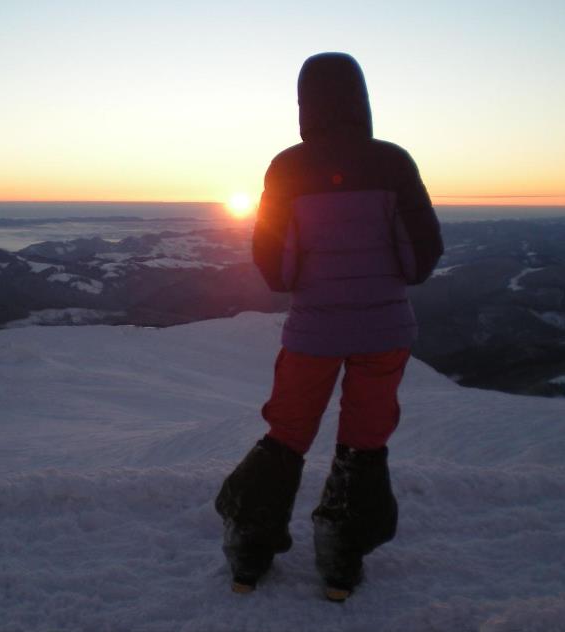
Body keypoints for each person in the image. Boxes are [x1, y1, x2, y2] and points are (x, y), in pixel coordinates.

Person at [214, 52, 443, 602]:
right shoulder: (394, 163)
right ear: (362, 99)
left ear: (304, 105)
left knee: (286, 435)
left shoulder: (288, 168)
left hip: (313, 333)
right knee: (364, 442)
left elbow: (277, 269)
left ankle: (250, 550)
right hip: (384, 332)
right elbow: (421, 258)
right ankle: (341, 561)